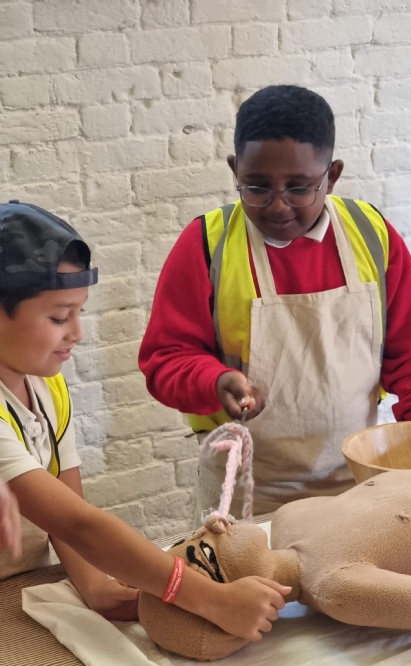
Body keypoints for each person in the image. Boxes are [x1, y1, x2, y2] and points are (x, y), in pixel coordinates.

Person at [138, 85, 411, 525]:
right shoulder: (207, 246)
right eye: (257, 187)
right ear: (235, 170)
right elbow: (164, 359)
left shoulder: (371, 236)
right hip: (247, 491)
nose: (278, 205)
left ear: (332, 175)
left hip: (361, 482)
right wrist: (216, 379)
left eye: (299, 188)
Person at [0, 200, 289, 639]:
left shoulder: (46, 386)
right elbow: (82, 526)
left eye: (79, 312)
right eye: (59, 317)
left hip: (22, 586)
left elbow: (68, 509)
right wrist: (209, 599)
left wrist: (97, 586)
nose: (76, 333)